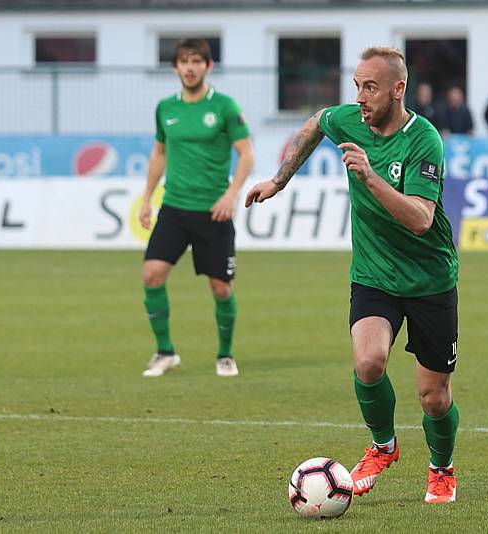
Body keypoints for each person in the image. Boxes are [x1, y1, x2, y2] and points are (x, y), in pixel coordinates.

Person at [245, 46, 460, 504]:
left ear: (398, 89)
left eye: (371, 87)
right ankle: (384, 446)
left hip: (429, 279)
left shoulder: (424, 139)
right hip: (374, 275)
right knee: (367, 363)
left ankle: (441, 468)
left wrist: (369, 176)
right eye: (357, 86)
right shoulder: (348, 119)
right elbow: (315, 124)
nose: (360, 97)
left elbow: (422, 218)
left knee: (434, 398)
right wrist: (278, 181)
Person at [139, 38, 254, 378]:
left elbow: (246, 154)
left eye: (196, 61)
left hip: (213, 211)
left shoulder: (224, 107)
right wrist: (147, 198)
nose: (189, 68)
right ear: (175, 67)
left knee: (221, 288)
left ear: (208, 66)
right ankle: (165, 352)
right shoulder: (165, 108)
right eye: (183, 61)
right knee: (151, 275)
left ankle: (225, 354)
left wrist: (230, 194)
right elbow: (159, 153)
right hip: (174, 208)